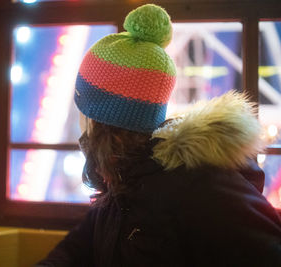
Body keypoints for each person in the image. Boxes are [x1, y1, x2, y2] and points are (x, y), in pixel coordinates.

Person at [37, 4, 281, 266]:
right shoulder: (121, 177)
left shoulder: (199, 187)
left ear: (101, 121)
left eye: (83, 111)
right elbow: (79, 247)